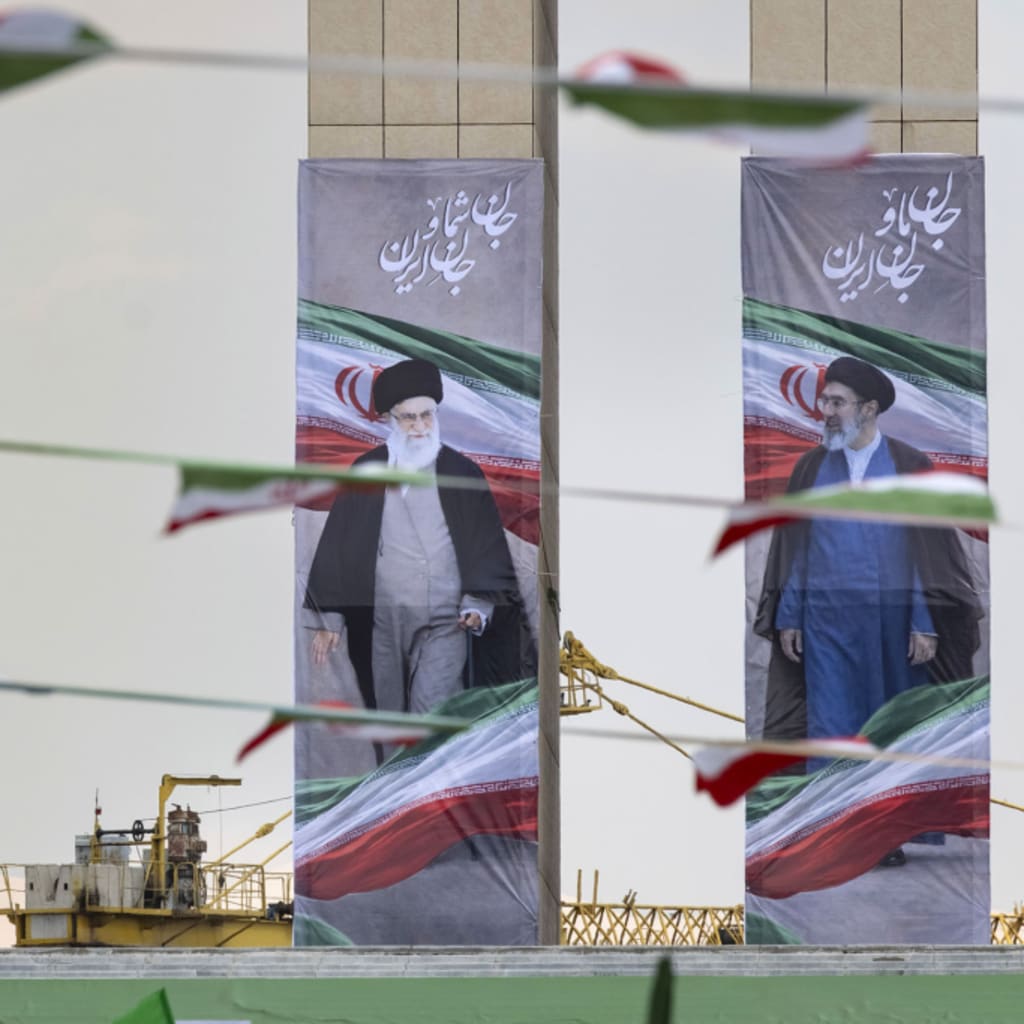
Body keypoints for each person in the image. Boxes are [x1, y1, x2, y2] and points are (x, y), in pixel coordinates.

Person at [755, 356, 983, 744]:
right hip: (827, 623)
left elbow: (927, 557)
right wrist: (790, 615)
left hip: (894, 624)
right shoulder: (810, 467)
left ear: (869, 408)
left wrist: (923, 622)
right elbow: (796, 549)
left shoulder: (910, 465)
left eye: (837, 402)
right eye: (825, 401)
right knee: (831, 726)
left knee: (895, 728)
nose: (826, 411)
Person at [303, 357, 535, 716]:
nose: (420, 426)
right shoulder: (367, 470)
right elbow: (340, 542)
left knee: (431, 707)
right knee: (389, 712)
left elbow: (486, 546)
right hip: (383, 618)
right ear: (389, 419)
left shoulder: (462, 473)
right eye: (408, 418)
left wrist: (478, 605)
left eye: (427, 415)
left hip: (446, 618)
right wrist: (330, 618)